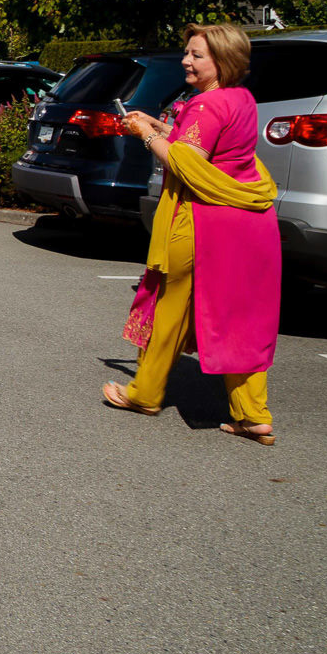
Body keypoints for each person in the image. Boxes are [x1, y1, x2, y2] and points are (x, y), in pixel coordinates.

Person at [106, 23, 281, 445]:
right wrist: (160, 124)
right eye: (188, 52)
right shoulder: (241, 98)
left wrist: (145, 133)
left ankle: (145, 393)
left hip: (201, 223)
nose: (186, 60)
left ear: (223, 61)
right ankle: (253, 415)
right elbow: (209, 150)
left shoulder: (206, 106)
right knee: (240, 318)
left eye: (197, 55)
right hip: (247, 223)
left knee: (168, 308)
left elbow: (184, 162)